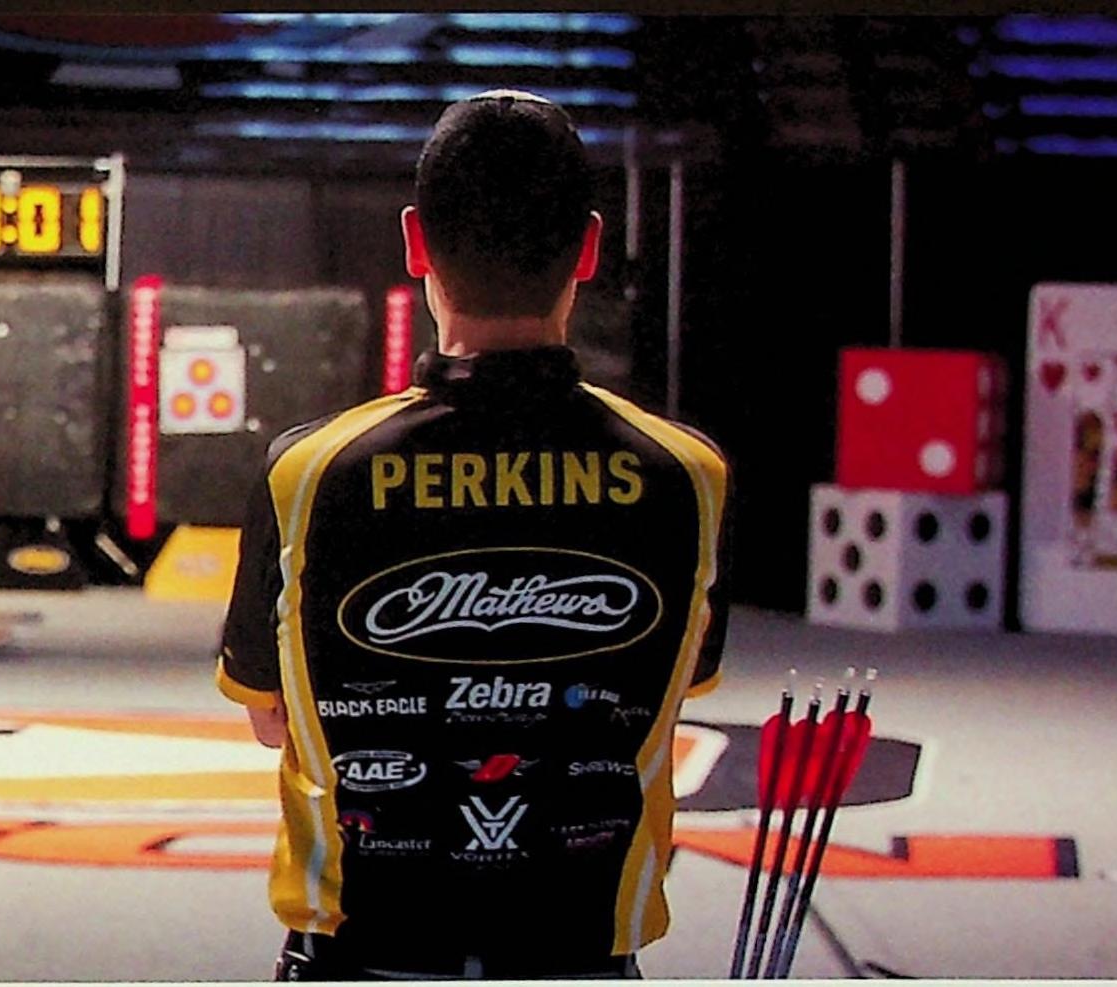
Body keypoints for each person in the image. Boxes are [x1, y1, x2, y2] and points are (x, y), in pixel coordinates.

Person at [215, 89, 733, 981]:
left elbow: (270, 716)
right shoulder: (688, 474)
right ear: (589, 248)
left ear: (415, 241)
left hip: (357, 957)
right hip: (579, 958)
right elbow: (676, 686)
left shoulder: (306, 472)